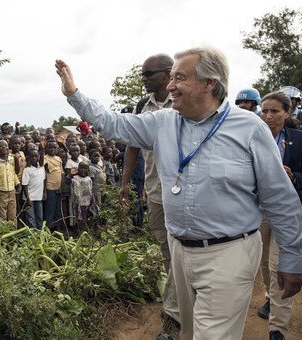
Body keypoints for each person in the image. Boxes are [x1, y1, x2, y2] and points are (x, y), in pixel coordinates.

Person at [55, 47, 302, 340]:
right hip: (180, 252)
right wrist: (74, 94)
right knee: (192, 331)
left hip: (230, 252)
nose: (170, 85)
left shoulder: (249, 128)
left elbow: (280, 198)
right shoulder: (162, 122)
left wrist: (290, 258)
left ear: (209, 83)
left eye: (179, 78)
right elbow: (115, 124)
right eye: (171, 77)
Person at [118, 54, 180, 339]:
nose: (143, 78)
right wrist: (125, 183)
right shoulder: (142, 107)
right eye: (142, 74)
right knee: (169, 256)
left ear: (167, 74)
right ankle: (177, 310)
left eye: (148, 73)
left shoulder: (182, 101)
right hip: (156, 192)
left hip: (183, 192)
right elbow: (132, 146)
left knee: (181, 255)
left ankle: (172, 319)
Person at [255, 91, 302, 340]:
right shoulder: (251, 138)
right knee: (265, 263)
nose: (268, 116)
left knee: (280, 265)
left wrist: (294, 177)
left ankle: (278, 329)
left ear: (287, 113)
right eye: (264, 110)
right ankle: (269, 297)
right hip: (260, 211)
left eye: (274, 111)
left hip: (288, 213)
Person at [0, 140, 19, 222]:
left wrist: (18, 184)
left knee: (13, 214)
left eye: (6, 146)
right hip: (2, 191)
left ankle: (12, 233)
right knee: (2, 214)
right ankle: (4, 232)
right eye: (1, 146)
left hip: (12, 190)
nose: (4, 148)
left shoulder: (12, 159)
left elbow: (13, 173)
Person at [21, 149, 46, 229]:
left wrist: (44, 192)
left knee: (40, 217)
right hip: (29, 198)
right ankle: (34, 235)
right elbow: (24, 185)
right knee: (31, 218)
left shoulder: (41, 167)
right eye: (32, 157)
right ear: (28, 158)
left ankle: (40, 233)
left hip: (38, 197)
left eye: (36, 156)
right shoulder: (27, 170)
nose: (34, 158)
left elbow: (44, 180)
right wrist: (28, 199)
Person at [44, 140, 63, 230]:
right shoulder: (45, 158)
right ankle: (49, 230)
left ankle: (57, 228)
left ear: (57, 149)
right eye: (50, 147)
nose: (52, 149)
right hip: (49, 188)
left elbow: (61, 173)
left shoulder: (59, 159)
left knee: (58, 210)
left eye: (54, 148)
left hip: (58, 188)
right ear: (46, 149)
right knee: (50, 210)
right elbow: (46, 170)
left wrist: (61, 186)